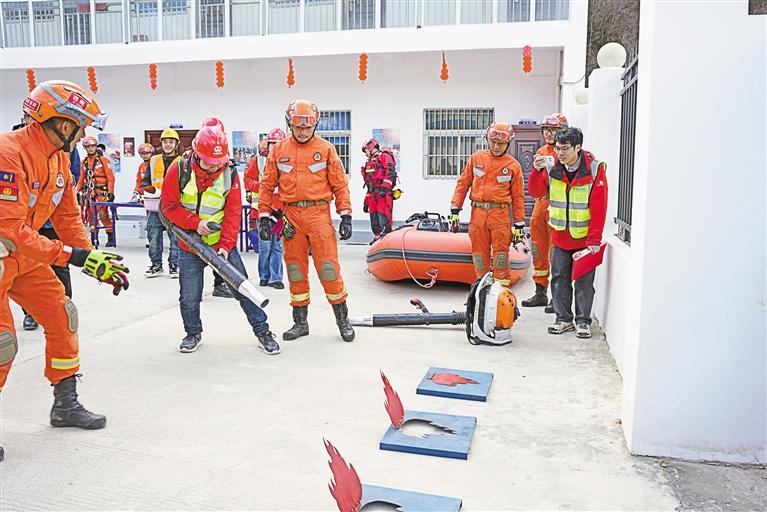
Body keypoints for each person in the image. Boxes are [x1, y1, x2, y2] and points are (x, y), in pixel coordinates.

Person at [0, 80, 130, 460]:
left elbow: (68, 217)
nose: (84, 134)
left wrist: (95, 260)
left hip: (24, 258)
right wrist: (72, 257)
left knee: (63, 316)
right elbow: (10, 228)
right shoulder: (8, 153)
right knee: (3, 344)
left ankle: (65, 403)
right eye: (81, 125)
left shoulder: (59, 159)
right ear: (62, 122)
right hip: (6, 251)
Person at [160, 119, 280, 355]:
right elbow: (168, 207)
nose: (215, 168)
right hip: (190, 244)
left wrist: (225, 245)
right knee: (189, 296)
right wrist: (196, 224)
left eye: (218, 163)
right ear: (196, 154)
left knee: (243, 288)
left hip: (220, 244)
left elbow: (233, 213)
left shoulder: (229, 172)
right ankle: (192, 333)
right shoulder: (179, 169)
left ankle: (263, 331)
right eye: (210, 162)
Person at [258, 99, 355, 342]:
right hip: (291, 217)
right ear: (289, 124)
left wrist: (346, 214)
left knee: (328, 269)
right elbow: (267, 185)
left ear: (315, 125)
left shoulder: (326, 149)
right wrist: (264, 217)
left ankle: (343, 321)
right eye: (298, 127)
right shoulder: (278, 151)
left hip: (319, 215)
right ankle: (300, 323)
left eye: (307, 127)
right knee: (295, 269)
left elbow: (340, 184)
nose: (302, 132)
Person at [528, 127, 608, 339]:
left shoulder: (594, 169)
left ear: (577, 147)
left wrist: (594, 239)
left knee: (583, 282)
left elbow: (599, 206)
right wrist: (536, 171)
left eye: (564, 148)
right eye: (557, 148)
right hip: (560, 237)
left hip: (584, 239)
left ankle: (582, 321)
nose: (560, 153)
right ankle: (563, 319)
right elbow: (536, 192)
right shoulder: (552, 167)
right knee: (559, 279)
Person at [449, 122, 526, 286]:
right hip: (478, 214)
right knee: (479, 254)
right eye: (493, 142)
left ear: (508, 143)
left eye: (501, 143)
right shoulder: (476, 158)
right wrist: (455, 210)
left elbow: (518, 197)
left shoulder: (513, 166)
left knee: (501, 255)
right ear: (487, 140)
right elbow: (463, 184)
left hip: (500, 216)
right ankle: (482, 286)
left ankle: (500, 291)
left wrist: (519, 225)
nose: (496, 147)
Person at [523, 113, 569, 313]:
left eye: (554, 130)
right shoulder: (541, 151)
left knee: (555, 252)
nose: (549, 134)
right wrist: (536, 169)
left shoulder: (567, 152)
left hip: (557, 204)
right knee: (538, 249)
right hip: (540, 204)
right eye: (546, 130)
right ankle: (540, 292)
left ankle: (556, 297)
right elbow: (535, 185)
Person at [245, 129, 286, 289]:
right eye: (273, 144)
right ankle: (264, 276)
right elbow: (248, 181)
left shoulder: (289, 162)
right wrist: (262, 186)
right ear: (267, 145)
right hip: (262, 211)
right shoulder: (257, 162)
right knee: (265, 246)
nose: (276, 147)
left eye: (279, 144)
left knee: (278, 246)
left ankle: (276, 278)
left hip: (280, 212)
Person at [141, 128, 181, 278]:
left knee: (175, 238)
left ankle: (174, 265)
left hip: (174, 207)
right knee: (153, 237)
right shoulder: (153, 160)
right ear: (161, 143)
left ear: (176, 144)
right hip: (155, 206)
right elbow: (146, 181)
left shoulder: (183, 161)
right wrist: (148, 189)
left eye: (171, 142)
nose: (168, 145)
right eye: (165, 142)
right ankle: (156, 265)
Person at [77, 135, 116, 247]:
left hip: (101, 192)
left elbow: (110, 177)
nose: (90, 149)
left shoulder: (103, 160)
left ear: (96, 146)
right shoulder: (83, 162)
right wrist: (77, 191)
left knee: (103, 215)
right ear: (85, 148)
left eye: (92, 146)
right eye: (88, 147)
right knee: (91, 216)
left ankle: (110, 237)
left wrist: (111, 192)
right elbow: (81, 178)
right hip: (89, 193)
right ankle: (94, 239)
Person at [361, 138, 397, 243]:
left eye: (365, 151)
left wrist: (384, 189)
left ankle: (387, 240)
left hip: (383, 194)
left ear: (370, 148)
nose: (365, 154)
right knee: (374, 221)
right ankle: (378, 239)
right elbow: (369, 183)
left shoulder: (384, 156)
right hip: (373, 195)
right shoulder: (369, 163)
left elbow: (390, 172)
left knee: (384, 219)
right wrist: (366, 201)